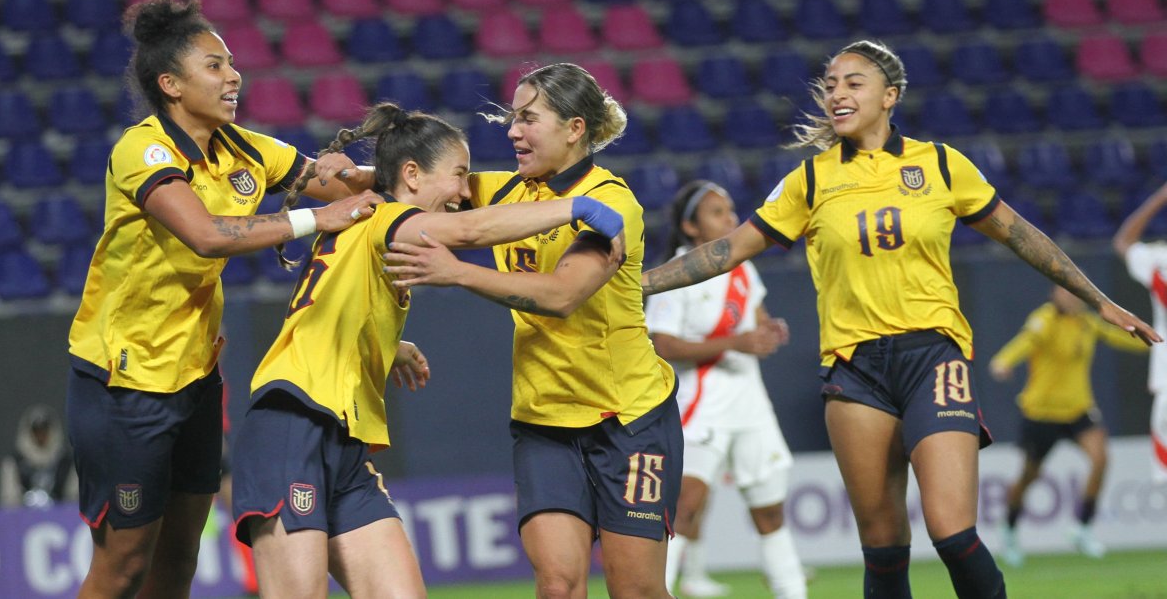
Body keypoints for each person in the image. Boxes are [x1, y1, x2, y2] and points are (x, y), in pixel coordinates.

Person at [639, 40, 1160, 599]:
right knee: (883, 547)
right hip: (853, 368)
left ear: (890, 96)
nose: (837, 92)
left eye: (853, 82)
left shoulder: (939, 164)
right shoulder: (809, 181)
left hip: (932, 356)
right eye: (831, 84)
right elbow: (727, 250)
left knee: (952, 530)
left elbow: (1019, 233)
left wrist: (1098, 296)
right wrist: (637, 282)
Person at [231, 103, 626, 598]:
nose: (465, 192)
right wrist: (575, 207)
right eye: (459, 175)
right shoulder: (384, 217)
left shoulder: (372, 224)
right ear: (412, 175)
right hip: (294, 425)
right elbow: (470, 231)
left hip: (346, 445)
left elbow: (335, 299)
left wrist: (388, 343)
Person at [65, 0, 379, 599]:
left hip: (195, 377)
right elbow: (207, 237)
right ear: (171, 85)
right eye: (214, 65)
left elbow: (339, 180)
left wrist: (411, 172)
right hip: (123, 384)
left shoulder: (243, 148)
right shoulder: (144, 149)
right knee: (124, 564)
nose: (234, 75)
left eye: (232, 62)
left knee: (181, 555)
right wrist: (322, 216)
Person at [383, 63, 681, 599]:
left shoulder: (612, 204)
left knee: (635, 590)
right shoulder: (506, 193)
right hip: (544, 422)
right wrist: (338, 178)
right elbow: (423, 185)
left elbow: (563, 296)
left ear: (574, 129)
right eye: (512, 118)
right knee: (558, 585)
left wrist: (456, 272)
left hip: (630, 420)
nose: (512, 131)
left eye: (528, 119)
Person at [645, 181, 807, 599]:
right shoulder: (677, 272)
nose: (731, 219)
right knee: (684, 508)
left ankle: (793, 592)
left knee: (770, 511)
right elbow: (662, 345)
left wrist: (768, 332)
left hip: (750, 403)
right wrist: (736, 343)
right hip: (700, 404)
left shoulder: (742, 267)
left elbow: (756, 320)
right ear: (690, 226)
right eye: (717, 212)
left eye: (732, 209)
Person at [989, 286, 1148, 566]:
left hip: (1079, 410)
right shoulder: (1044, 320)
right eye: (1066, 294)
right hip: (1041, 412)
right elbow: (1025, 342)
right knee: (1029, 476)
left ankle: (1082, 527)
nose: (1071, 298)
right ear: (1054, 295)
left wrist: (1155, 343)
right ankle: (1010, 529)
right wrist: (1003, 361)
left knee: (1101, 458)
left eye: (1075, 294)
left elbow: (1115, 336)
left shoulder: (1087, 323)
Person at [1112, 183, 1167, 486]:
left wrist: (1159, 197)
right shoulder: (1160, 260)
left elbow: (1123, 241)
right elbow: (1123, 242)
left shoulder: (1160, 262)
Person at [0, 404, 78, 508]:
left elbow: (73, 500)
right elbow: (9, 502)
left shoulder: (66, 463)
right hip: (23, 520)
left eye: (44, 431)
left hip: (59, 520)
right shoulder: (14, 463)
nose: (41, 436)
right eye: (36, 431)